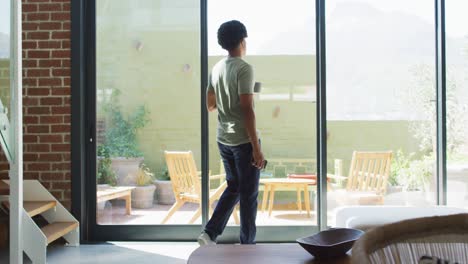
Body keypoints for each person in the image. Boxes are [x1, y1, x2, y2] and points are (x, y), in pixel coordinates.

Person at [197, 20, 265, 245]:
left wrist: (228, 99)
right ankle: (248, 246)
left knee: (234, 187)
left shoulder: (216, 68)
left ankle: (209, 233)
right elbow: (247, 109)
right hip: (243, 141)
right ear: (243, 40)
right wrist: (257, 148)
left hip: (223, 139)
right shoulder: (245, 68)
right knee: (248, 196)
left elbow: (210, 105)